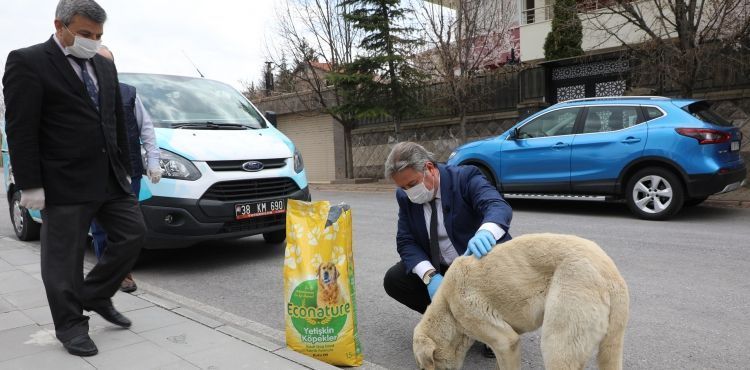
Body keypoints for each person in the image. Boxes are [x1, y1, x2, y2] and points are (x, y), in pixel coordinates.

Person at [3, 0, 146, 357]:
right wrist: (29, 183)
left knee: (133, 234)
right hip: (62, 180)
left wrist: (126, 167)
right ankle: (70, 325)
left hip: (110, 177)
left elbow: (114, 121)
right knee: (62, 260)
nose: (92, 41)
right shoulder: (28, 61)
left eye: (98, 35)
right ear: (60, 25)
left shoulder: (104, 65)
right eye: (85, 34)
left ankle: (95, 294)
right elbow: (21, 129)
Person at [382, 142, 513, 358]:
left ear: (430, 169)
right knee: (395, 280)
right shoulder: (405, 197)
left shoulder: (465, 177)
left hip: (478, 261)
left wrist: (486, 233)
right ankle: (455, 321)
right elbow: (406, 241)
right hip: (442, 266)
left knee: (501, 277)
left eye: (412, 184)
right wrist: (429, 276)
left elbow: (496, 205)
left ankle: (495, 327)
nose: (409, 192)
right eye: (403, 188)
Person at [90, 45, 161, 293]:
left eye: (107, 63)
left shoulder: (128, 94)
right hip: (95, 173)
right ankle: (109, 273)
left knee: (129, 227)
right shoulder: (81, 92)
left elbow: (147, 129)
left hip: (128, 172)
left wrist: (153, 162)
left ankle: (123, 271)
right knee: (100, 228)